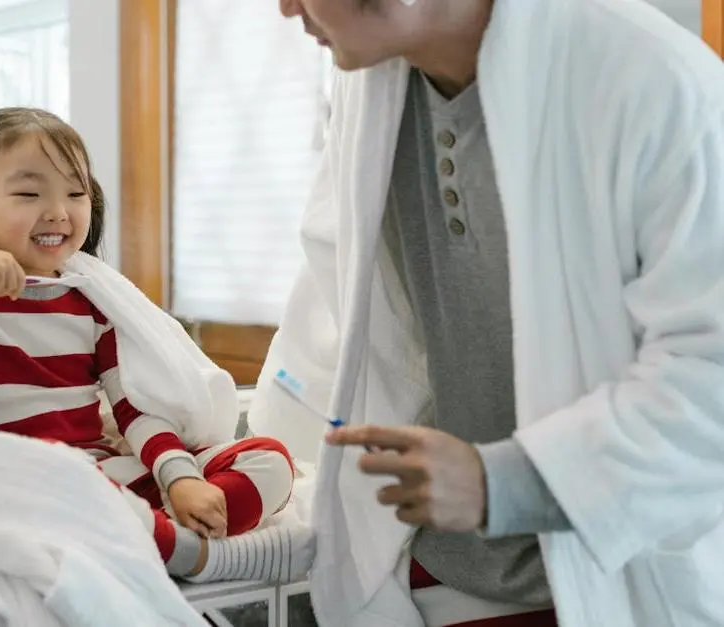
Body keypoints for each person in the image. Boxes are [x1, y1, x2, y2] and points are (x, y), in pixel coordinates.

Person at [245, 0, 724, 625]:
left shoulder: (653, 79)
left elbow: (708, 380)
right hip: (437, 570)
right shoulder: (368, 82)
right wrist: (258, 470)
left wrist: (506, 483)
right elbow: (346, 306)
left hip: (618, 575)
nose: (285, 8)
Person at [0, 107, 316, 584]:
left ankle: (159, 533)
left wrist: (182, 479)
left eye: (75, 192)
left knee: (270, 460)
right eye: (29, 193)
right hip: (19, 483)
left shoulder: (90, 301)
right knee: (79, 495)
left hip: (98, 473)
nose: (58, 212)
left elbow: (133, 410)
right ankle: (198, 557)